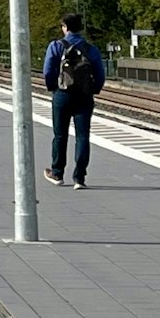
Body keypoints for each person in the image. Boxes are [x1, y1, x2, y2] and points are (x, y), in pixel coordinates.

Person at [42, 13, 106, 188]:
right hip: (84, 96)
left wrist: (52, 87)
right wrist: (94, 89)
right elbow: (100, 74)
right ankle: (79, 178)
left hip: (62, 95)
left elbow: (48, 71)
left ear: (65, 27)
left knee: (60, 135)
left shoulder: (56, 46)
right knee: (83, 136)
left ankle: (57, 173)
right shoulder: (90, 49)